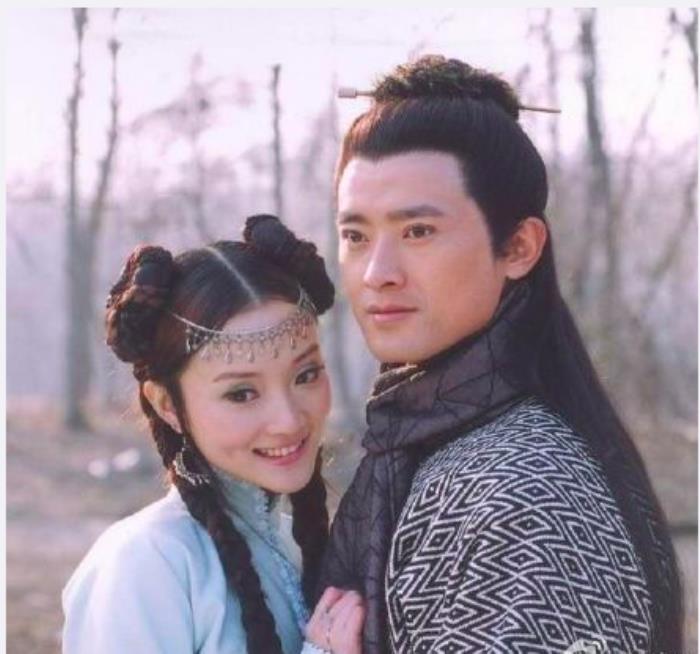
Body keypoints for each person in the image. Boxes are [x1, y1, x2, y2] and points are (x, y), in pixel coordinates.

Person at [318, 56, 683, 654]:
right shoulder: (438, 444)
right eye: (356, 236)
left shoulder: (520, 492)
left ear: (517, 247)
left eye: (417, 232)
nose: (377, 272)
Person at [62, 215, 364, 654]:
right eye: (241, 393)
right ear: (168, 405)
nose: (288, 420)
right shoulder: (146, 564)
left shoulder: (297, 547)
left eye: (306, 375)